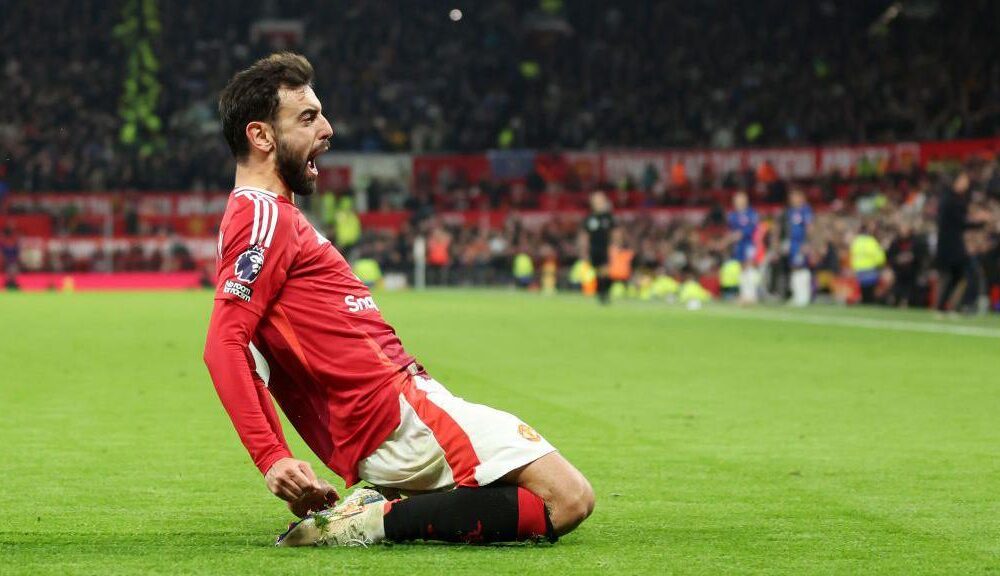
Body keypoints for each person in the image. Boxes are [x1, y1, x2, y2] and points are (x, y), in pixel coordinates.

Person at [202, 53, 593, 548]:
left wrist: (279, 455)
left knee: (516, 495)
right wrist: (272, 457)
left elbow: (253, 353)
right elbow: (225, 346)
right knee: (569, 498)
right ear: (261, 137)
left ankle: (379, 507)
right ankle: (369, 523)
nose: (327, 128)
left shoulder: (262, 217)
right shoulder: (262, 218)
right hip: (399, 411)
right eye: (307, 118)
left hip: (396, 410)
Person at [934, 172, 983, 314]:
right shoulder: (951, 200)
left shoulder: (953, 198)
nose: (966, 183)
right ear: (956, 182)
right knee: (969, 272)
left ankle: (943, 306)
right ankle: (966, 305)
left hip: (952, 244)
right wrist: (980, 222)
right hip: (951, 245)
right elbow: (960, 223)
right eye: (963, 180)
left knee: (957, 275)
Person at [582, 191, 614, 304]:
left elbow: (614, 232)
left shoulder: (608, 217)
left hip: (605, 248)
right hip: (593, 249)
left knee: (605, 271)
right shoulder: (589, 218)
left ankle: (605, 293)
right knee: (597, 272)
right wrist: (584, 251)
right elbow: (585, 236)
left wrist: (614, 246)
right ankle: (601, 293)